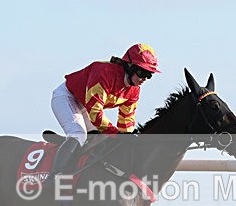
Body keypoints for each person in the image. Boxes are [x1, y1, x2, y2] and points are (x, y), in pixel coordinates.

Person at [50, 43, 161, 176]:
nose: (144, 79)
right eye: (142, 72)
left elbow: (126, 120)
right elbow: (95, 113)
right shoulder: (105, 74)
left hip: (85, 106)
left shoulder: (134, 90)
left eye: (149, 75)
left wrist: (127, 139)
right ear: (129, 66)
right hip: (67, 97)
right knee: (78, 134)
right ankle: (54, 176)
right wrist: (116, 134)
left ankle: (73, 155)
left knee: (97, 139)